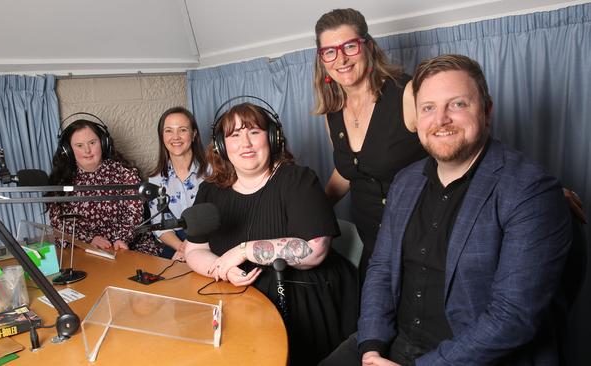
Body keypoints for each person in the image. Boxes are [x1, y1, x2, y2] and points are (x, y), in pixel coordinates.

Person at [320, 54, 572, 366]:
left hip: (468, 357)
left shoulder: (529, 190)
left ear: (487, 110)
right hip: (391, 345)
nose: (441, 119)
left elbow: (513, 317)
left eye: (457, 104)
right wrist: (371, 347)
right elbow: (382, 269)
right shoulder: (405, 182)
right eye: (428, 108)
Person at [184, 102, 358, 365]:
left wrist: (242, 251)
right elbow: (194, 249)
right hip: (237, 297)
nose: (246, 143)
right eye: (234, 135)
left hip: (301, 299)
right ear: (221, 145)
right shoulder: (211, 190)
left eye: (254, 132)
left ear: (272, 137)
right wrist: (221, 268)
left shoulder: (298, 180)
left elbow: (314, 250)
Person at [314, 8, 427, 283]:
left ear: (369, 47)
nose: (340, 58)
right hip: (374, 246)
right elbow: (347, 172)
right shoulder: (333, 113)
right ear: (322, 60)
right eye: (329, 51)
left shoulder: (407, 92)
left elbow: (448, 160)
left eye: (349, 46)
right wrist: (310, 209)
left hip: (421, 242)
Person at [47, 118, 153, 251]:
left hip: (124, 245)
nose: (87, 150)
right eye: (79, 145)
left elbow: (134, 215)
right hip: (81, 248)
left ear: (103, 143)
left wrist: (120, 239)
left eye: (92, 142)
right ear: (68, 150)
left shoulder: (125, 173)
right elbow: (58, 222)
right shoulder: (61, 179)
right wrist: (88, 239)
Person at [145, 107, 208, 260]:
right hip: (177, 243)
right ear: (162, 136)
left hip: (211, 240)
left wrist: (194, 247)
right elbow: (159, 227)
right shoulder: (155, 179)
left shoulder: (213, 172)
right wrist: (182, 248)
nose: (175, 137)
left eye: (182, 130)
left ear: (193, 135)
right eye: (169, 131)